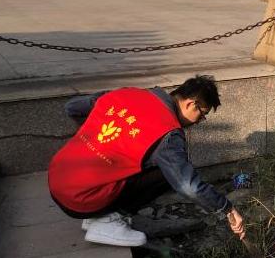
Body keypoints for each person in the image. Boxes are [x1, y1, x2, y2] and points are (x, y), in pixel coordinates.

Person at [47, 75, 246, 247]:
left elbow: (72, 107)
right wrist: (227, 208)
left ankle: (97, 212)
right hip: (79, 201)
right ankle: (108, 220)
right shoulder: (168, 133)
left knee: (147, 162)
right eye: (202, 115)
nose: (199, 122)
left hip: (56, 177)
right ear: (190, 103)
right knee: (168, 174)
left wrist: (99, 140)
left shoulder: (129, 93)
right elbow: (188, 186)